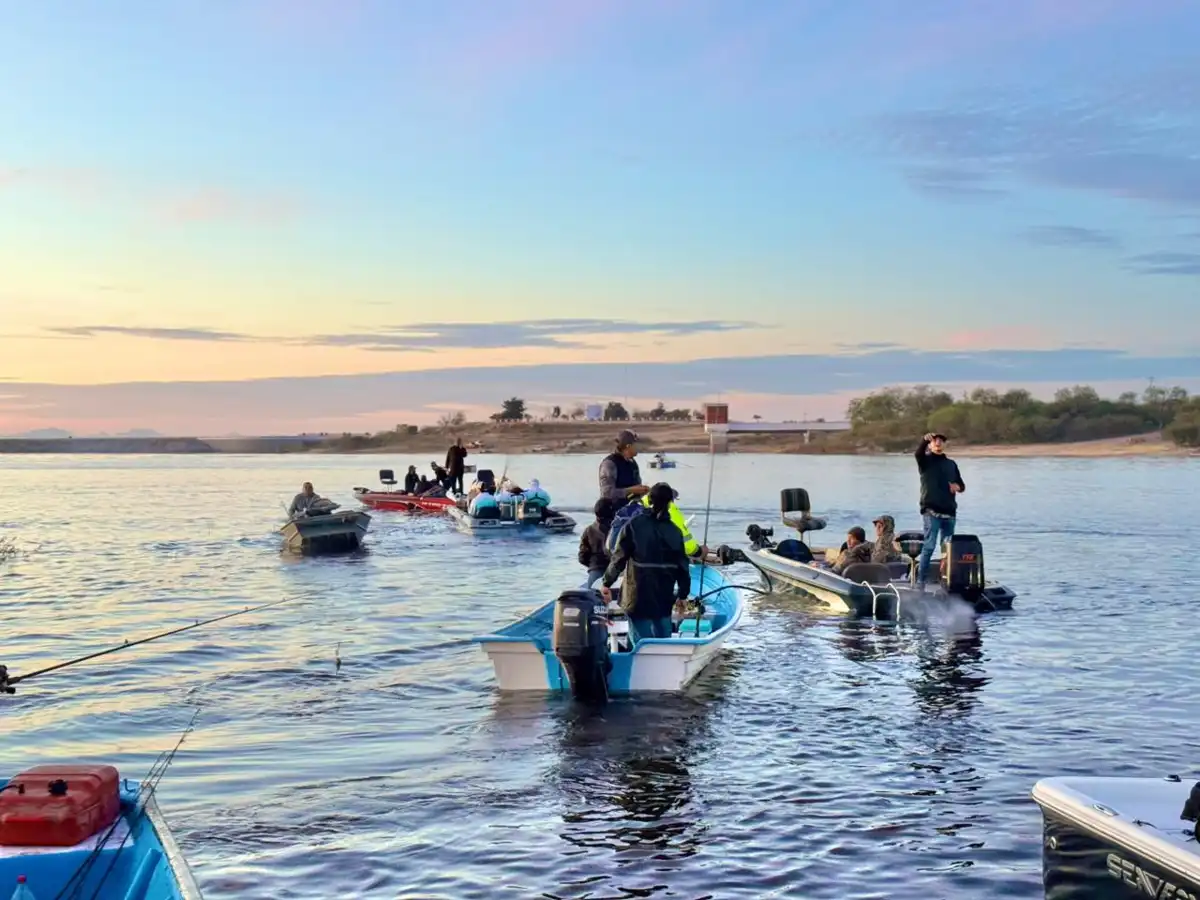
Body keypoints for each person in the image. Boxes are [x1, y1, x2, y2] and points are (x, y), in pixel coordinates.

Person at [600, 482, 691, 643]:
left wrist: (607, 582)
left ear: (649, 499)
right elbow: (682, 567)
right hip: (663, 597)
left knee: (641, 642)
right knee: (664, 641)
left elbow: (619, 558)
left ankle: (640, 662)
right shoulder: (675, 532)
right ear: (670, 503)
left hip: (637, 596)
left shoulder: (633, 525)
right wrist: (683, 595)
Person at [915, 431, 966, 586]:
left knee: (948, 552)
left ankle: (947, 581)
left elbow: (961, 485)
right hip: (931, 511)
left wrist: (957, 487)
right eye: (935, 441)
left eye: (941, 441)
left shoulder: (951, 464)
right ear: (930, 445)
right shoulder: (925, 461)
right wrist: (924, 440)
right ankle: (920, 582)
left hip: (949, 513)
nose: (938, 443)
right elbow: (918, 454)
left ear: (944, 444)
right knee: (929, 547)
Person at [598, 429, 650, 505]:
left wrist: (644, 491)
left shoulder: (632, 463)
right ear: (628, 446)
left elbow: (636, 490)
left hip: (631, 512)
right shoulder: (609, 464)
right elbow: (607, 493)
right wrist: (631, 490)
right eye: (637, 444)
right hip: (612, 513)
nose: (640, 447)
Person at [579, 498, 615, 588]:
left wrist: (592, 565)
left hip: (595, 570)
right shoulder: (617, 530)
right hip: (614, 571)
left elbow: (582, 557)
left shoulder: (588, 530)